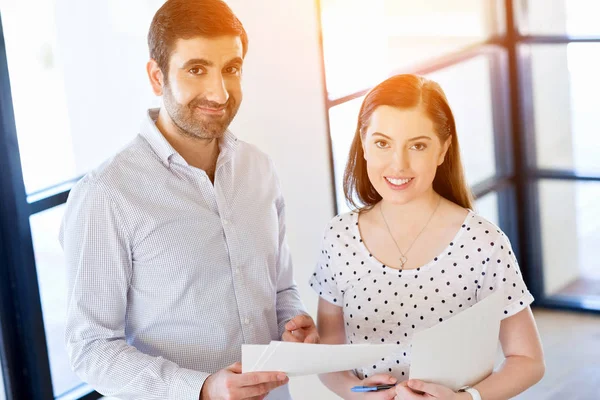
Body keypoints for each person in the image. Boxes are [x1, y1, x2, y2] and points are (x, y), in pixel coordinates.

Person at [59, 1, 318, 399]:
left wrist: (293, 321)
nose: (218, 91)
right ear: (156, 76)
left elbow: (281, 288)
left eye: (230, 69)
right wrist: (201, 388)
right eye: (196, 69)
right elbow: (91, 349)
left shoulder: (260, 168)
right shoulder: (106, 195)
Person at [310, 74, 545, 400]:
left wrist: (466, 399)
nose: (398, 164)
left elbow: (528, 360)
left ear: (442, 150)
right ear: (363, 143)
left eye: (418, 145)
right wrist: (356, 392)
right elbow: (330, 356)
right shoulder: (340, 237)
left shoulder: (483, 244)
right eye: (382, 143)